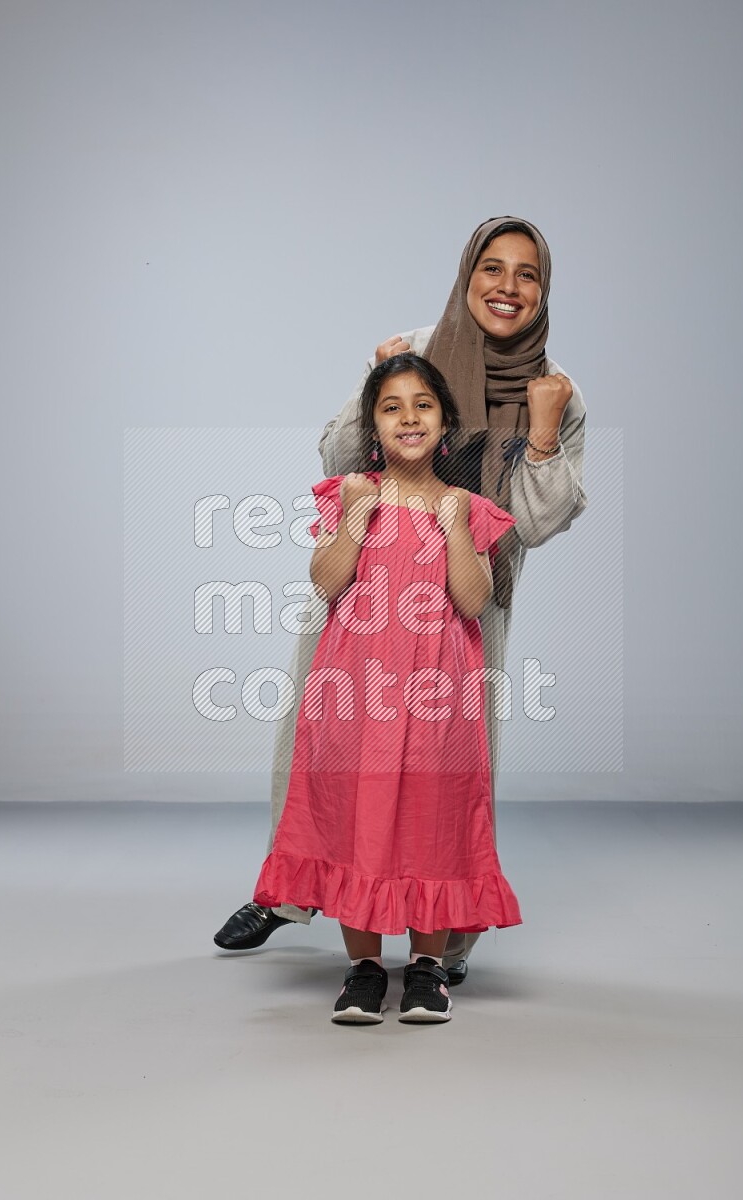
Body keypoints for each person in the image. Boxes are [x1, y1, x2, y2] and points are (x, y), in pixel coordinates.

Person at [215, 215, 588, 982]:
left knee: (450, 765)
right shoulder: (412, 353)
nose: (507, 287)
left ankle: (443, 942)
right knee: (322, 743)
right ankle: (291, 891)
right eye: (492, 267)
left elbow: (538, 521)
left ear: (544, 290)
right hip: (366, 579)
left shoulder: (556, 391)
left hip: (465, 594)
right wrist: (373, 385)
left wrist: (544, 435)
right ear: (467, 275)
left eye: (527, 274)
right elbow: (340, 459)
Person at [253, 353, 522, 1023]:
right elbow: (327, 581)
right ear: (373, 425)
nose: (409, 418)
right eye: (392, 406)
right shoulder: (351, 494)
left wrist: (455, 526)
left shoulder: (467, 507)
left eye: (423, 405)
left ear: (445, 421)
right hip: (357, 688)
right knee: (356, 814)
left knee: (435, 815)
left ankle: (427, 966)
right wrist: (354, 515)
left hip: (437, 694)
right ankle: (365, 967)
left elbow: (472, 599)